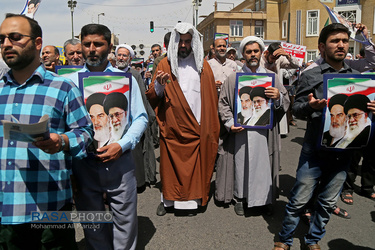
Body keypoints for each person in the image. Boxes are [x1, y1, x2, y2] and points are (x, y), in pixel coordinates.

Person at [273, 23, 371, 250]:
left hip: (344, 152)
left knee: (327, 202)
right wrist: (312, 107)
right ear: (321, 47)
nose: (341, 45)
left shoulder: (358, 78)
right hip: (314, 151)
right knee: (298, 199)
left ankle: (313, 239)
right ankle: (284, 238)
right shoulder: (311, 75)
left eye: (345, 41)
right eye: (335, 41)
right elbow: (295, 109)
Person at [0, 13, 92, 248]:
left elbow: (85, 131)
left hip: (49, 209)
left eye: (15, 37)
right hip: (4, 211)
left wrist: (61, 141)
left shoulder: (62, 87)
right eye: (1, 40)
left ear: (38, 43)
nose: (6, 44)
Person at [68, 23, 148, 250]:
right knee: (93, 224)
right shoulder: (69, 82)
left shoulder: (126, 80)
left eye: (98, 44)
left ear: (109, 46)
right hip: (84, 164)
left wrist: (122, 146)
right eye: (87, 44)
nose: (92, 49)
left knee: (125, 222)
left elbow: (140, 118)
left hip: (120, 163)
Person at [146, 22, 220, 216]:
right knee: (171, 167)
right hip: (172, 126)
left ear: (193, 42)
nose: (184, 46)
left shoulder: (204, 67)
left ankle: (192, 201)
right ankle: (168, 201)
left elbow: (211, 99)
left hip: (197, 125)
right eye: (180, 41)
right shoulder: (164, 64)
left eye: (188, 41)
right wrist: (160, 86)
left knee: (195, 166)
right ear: (174, 42)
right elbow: (153, 95)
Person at [217, 36, 289, 215]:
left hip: (265, 133)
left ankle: (264, 199)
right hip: (242, 131)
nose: (252, 55)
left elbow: (285, 100)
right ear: (243, 54)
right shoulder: (234, 78)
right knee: (241, 163)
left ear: (262, 52)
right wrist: (230, 122)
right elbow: (223, 102)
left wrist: (278, 97)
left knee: (264, 164)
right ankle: (240, 197)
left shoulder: (271, 77)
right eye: (248, 52)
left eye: (256, 51)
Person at [115, 43, 157, 186]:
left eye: (124, 55)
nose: (121, 58)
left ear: (130, 58)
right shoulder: (110, 74)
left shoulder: (134, 75)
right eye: (119, 55)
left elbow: (142, 98)